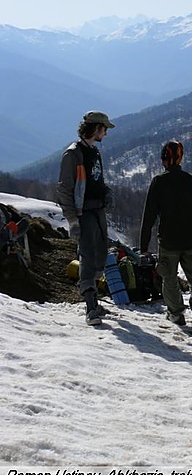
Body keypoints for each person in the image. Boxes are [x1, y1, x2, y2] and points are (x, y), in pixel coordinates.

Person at [139, 140, 192, 336]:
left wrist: (143, 245)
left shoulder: (158, 182)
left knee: (169, 278)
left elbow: (149, 216)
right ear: (181, 159)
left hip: (169, 242)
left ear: (163, 160)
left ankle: (176, 313)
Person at [57, 111, 116, 326]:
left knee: (100, 253)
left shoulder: (93, 152)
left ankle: (94, 301)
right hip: (85, 213)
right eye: (104, 129)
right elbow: (64, 190)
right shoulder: (73, 155)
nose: (106, 133)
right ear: (96, 128)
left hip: (98, 211)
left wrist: (107, 193)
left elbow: (96, 180)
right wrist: (72, 220)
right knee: (88, 256)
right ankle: (90, 307)